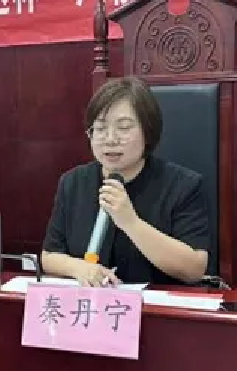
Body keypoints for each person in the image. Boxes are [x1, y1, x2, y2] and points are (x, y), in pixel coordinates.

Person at [42, 76, 209, 287]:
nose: (110, 139)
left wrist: (130, 222)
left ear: (148, 132)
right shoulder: (73, 182)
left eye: (123, 127)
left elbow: (194, 269)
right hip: (91, 303)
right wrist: (80, 268)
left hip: (156, 304)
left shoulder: (184, 186)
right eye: (100, 128)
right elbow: (49, 256)